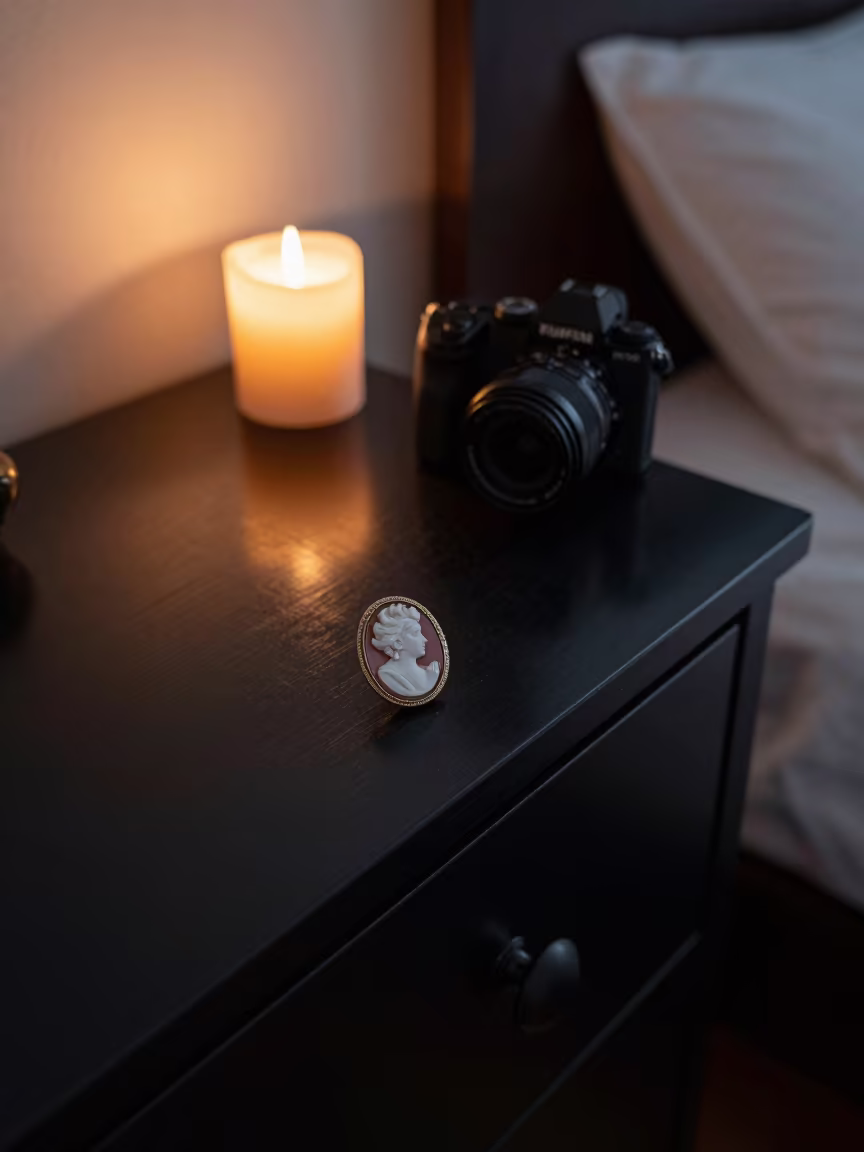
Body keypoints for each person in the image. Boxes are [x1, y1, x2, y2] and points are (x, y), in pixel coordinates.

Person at [371, 602, 439, 697]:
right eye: (415, 633)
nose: (425, 639)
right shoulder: (388, 675)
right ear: (398, 643)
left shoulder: (431, 671)